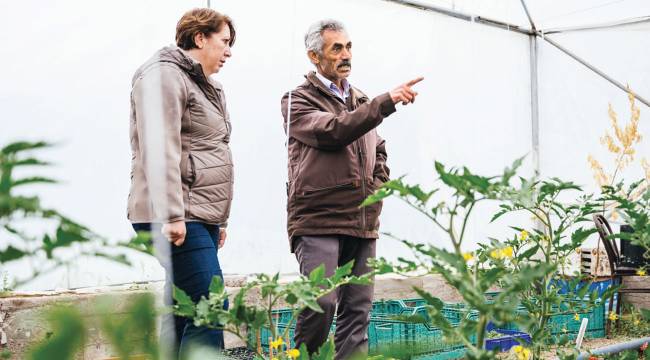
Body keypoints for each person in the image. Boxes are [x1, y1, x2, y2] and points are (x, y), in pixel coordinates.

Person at [280, 19, 423, 359]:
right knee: (321, 302)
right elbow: (333, 131)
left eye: (348, 46)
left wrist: (378, 187)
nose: (346, 55)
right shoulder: (295, 101)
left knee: (357, 312)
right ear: (314, 57)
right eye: (336, 48)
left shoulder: (359, 99)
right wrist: (384, 103)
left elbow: (379, 151)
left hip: (362, 220)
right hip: (319, 219)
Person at [127, 8, 235, 357]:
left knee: (182, 309)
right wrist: (172, 214)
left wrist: (218, 220)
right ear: (200, 37)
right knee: (210, 305)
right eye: (224, 41)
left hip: (196, 214)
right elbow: (160, 149)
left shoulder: (206, 87)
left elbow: (209, 153)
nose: (229, 52)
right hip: (174, 213)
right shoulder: (163, 76)